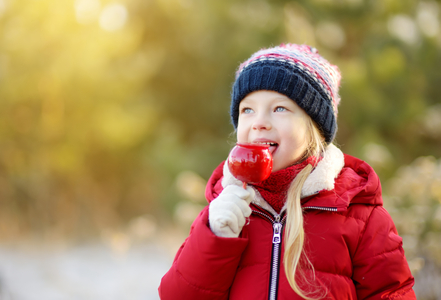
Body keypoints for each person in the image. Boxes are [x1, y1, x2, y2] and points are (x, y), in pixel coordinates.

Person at [158, 44, 416, 299]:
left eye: (279, 108)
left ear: (314, 126)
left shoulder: (358, 214)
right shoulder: (224, 208)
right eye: (247, 109)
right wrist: (214, 237)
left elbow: (392, 292)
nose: (258, 122)